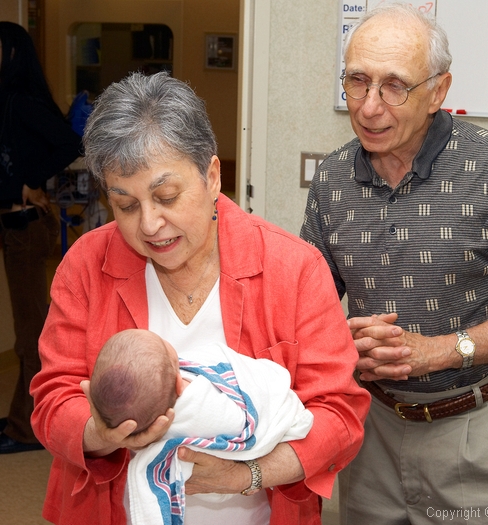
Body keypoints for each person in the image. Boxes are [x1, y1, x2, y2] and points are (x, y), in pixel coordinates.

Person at [30, 70, 370, 525]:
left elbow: (339, 415)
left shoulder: (294, 268)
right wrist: (104, 433)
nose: (149, 224)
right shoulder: (86, 265)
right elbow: (53, 399)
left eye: (166, 196)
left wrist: (245, 475)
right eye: (126, 205)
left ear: (212, 176)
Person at [300, 5, 488, 525]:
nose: (369, 106)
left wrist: (441, 352)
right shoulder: (334, 177)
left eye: (394, 86)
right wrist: (342, 343)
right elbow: (307, 305)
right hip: (372, 430)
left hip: (478, 429)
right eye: (357, 82)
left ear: (438, 91)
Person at [89, 329, 314, 525]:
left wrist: (244, 475)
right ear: (179, 383)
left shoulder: (144, 410)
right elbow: (237, 421)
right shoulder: (200, 400)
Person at [0, 21, 82, 454]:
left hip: (27, 226)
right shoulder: (9, 100)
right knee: (28, 326)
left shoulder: (22, 101)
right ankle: (19, 417)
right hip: (16, 226)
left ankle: (27, 427)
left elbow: (70, 143)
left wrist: (31, 180)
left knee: (31, 331)